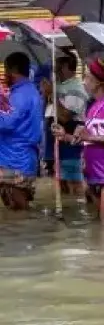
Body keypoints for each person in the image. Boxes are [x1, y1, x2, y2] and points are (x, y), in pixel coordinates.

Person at [54, 58, 104, 222]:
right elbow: (87, 140)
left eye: (87, 78)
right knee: (103, 222)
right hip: (94, 174)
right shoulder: (94, 107)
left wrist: (91, 136)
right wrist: (65, 136)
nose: (84, 82)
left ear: (98, 83)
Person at [0, 52, 43, 210]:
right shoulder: (25, 91)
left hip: (15, 160)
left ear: (14, 70)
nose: (4, 74)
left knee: (19, 209)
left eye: (6, 69)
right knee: (16, 211)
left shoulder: (22, 94)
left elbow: (6, 123)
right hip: (18, 158)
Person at [51, 53, 89, 195]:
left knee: (75, 182)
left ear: (66, 67)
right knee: (62, 182)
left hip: (72, 140)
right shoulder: (60, 86)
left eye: (58, 67)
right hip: (59, 141)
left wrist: (53, 94)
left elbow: (66, 116)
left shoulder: (76, 88)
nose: (55, 71)